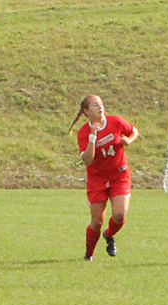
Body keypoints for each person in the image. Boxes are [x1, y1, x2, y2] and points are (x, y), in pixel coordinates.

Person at [68, 95, 139, 261]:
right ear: (86, 111)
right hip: (97, 180)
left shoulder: (116, 122)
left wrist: (128, 140)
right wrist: (93, 136)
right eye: (95, 105)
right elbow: (87, 160)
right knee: (96, 221)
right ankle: (88, 255)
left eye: (101, 104)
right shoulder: (84, 133)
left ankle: (109, 235)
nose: (100, 107)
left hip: (119, 175)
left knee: (120, 215)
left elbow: (134, 131)